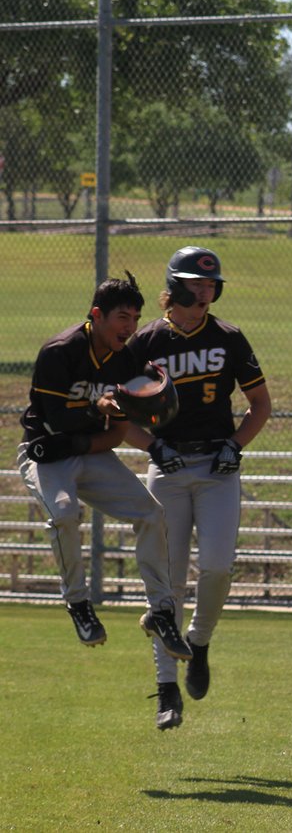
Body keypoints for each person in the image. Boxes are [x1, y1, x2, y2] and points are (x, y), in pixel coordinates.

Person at [123, 247, 272, 731]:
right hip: (167, 466)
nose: (205, 290)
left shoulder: (228, 337)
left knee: (216, 567)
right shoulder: (145, 340)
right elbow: (117, 412)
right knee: (165, 581)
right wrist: (150, 445)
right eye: (196, 283)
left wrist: (235, 443)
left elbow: (260, 404)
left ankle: (200, 642)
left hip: (215, 466)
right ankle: (167, 689)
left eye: (211, 284)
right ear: (176, 285)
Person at [16, 273, 192, 678]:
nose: (129, 327)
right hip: (45, 456)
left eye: (135, 318)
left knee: (151, 513)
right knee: (63, 514)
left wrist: (126, 412)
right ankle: (78, 603)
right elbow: (58, 421)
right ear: (96, 315)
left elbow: (114, 434)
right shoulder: (60, 351)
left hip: (89, 451)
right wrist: (102, 410)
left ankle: (161, 612)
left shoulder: (126, 359)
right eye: (121, 317)